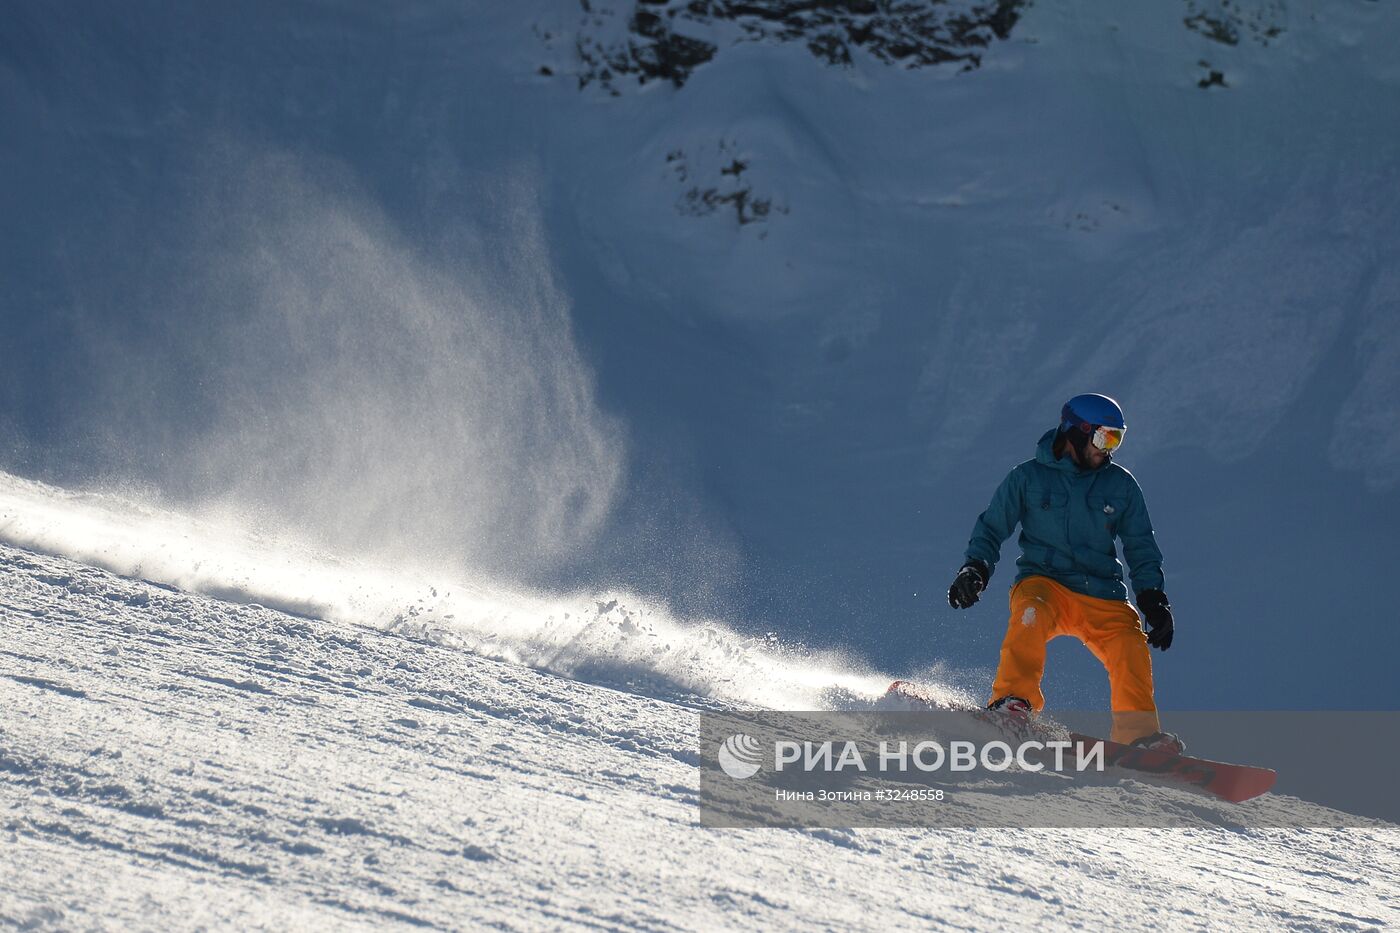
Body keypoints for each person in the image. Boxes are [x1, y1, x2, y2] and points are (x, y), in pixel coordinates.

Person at [946, 393, 1182, 752]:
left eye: (1117, 439)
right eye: (1105, 438)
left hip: (1102, 592)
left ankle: (1138, 738)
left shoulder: (1120, 485)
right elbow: (992, 527)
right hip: (1044, 583)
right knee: (1030, 614)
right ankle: (1012, 705)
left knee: (1130, 644)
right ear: (1075, 433)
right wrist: (975, 568)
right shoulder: (1027, 477)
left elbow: (1140, 545)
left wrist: (1153, 598)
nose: (1109, 449)